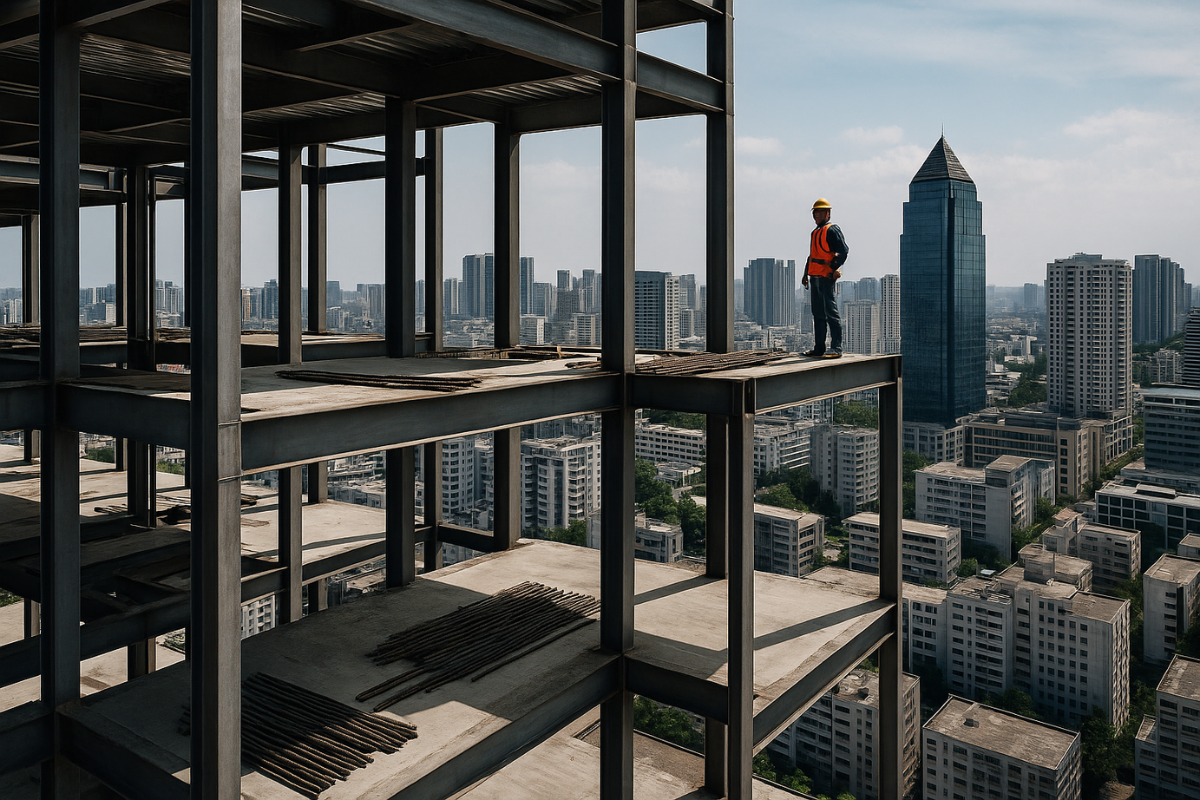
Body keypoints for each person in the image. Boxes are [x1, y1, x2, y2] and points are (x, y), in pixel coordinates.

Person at [801, 197, 848, 359]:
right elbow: (813, 256)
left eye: (819, 212)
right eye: (814, 212)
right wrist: (805, 274)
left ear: (827, 213)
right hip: (815, 277)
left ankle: (836, 347)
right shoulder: (815, 232)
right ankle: (819, 348)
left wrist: (833, 268)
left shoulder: (832, 230)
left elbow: (843, 251)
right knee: (818, 314)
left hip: (825, 277)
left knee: (831, 313)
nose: (816, 215)